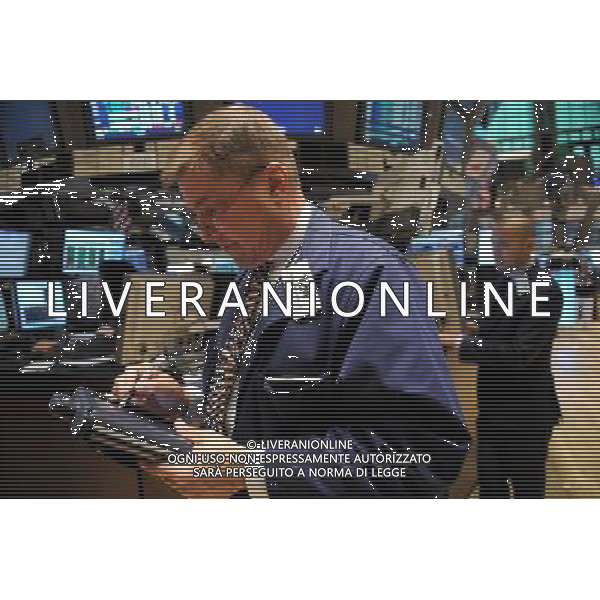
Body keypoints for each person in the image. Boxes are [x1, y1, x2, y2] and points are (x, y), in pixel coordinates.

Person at [112, 105, 469, 499]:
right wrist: (186, 399)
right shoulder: (253, 273)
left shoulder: (371, 275)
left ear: (275, 182)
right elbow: (268, 399)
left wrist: (252, 469)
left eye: (213, 211)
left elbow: (422, 450)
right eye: (197, 217)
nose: (207, 234)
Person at [460, 209, 563, 498]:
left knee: (526, 489)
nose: (497, 250)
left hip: (527, 414)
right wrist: (471, 328)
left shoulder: (545, 289)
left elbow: (521, 353)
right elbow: (495, 329)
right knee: (491, 488)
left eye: (505, 243)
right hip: (493, 410)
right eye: (495, 242)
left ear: (529, 243)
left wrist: (462, 344)